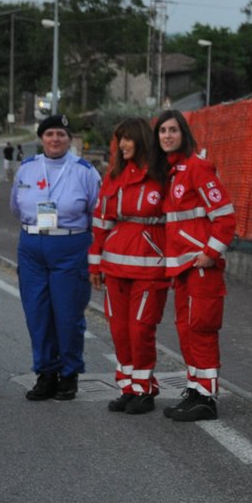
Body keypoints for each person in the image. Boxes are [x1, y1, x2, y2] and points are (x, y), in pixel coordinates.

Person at [11, 113, 101, 401]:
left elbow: (97, 215)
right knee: (37, 313)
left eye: (61, 134)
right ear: (41, 138)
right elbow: (16, 207)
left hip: (70, 247)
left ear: (69, 138)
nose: (55, 139)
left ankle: (69, 374)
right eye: (49, 134)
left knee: (67, 314)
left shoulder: (85, 171)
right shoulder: (26, 169)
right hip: (32, 247)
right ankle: (46, 373)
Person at [156, 109, 236, 422]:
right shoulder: (173, 172)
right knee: (186, 329)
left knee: (201, 329)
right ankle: (194, 386)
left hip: (201, 267)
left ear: (183, 133)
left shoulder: (197, 169)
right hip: (184, 268)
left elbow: (225, 217)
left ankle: (206, 397)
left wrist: (210, 253)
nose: (167, 135)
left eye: (173, 130)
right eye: (162, 130)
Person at [89, 118, 167, 415]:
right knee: (120, 331)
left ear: (142, 140)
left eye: (128, 139)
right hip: (115, 268)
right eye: (119, 139)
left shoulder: (161, 175)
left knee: (140, 331)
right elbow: (100, 222)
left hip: (150, 269)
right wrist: (95, 265)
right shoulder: (114, 176)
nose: (122, 145)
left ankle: (144, 390)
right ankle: (127, 387)